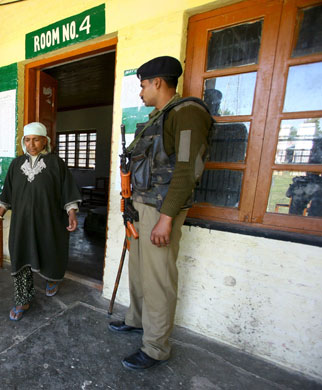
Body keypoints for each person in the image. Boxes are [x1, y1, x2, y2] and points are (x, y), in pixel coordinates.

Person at [108, 56, 212, 369]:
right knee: (140, 274)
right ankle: (137, 320)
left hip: (159, 210)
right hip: (141, 208)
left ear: (158, 82)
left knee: (158, 280)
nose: (140, 92)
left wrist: (166, 219)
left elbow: (186, 169)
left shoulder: (188, 113)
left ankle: (155, 347)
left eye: (142, 85)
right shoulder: (159, 116)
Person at [0, 122, 81, 321]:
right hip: (21, 224)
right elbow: (7, 194)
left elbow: (68, 192)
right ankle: (22, 299)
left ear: (45, 141)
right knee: (21, 255)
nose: (31, 144)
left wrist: (72, 213)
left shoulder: (56, 163)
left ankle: (51, 278)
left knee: (50, 249)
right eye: (28, 140)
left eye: (36, 139)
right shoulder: (16, 165)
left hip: (49, 221)